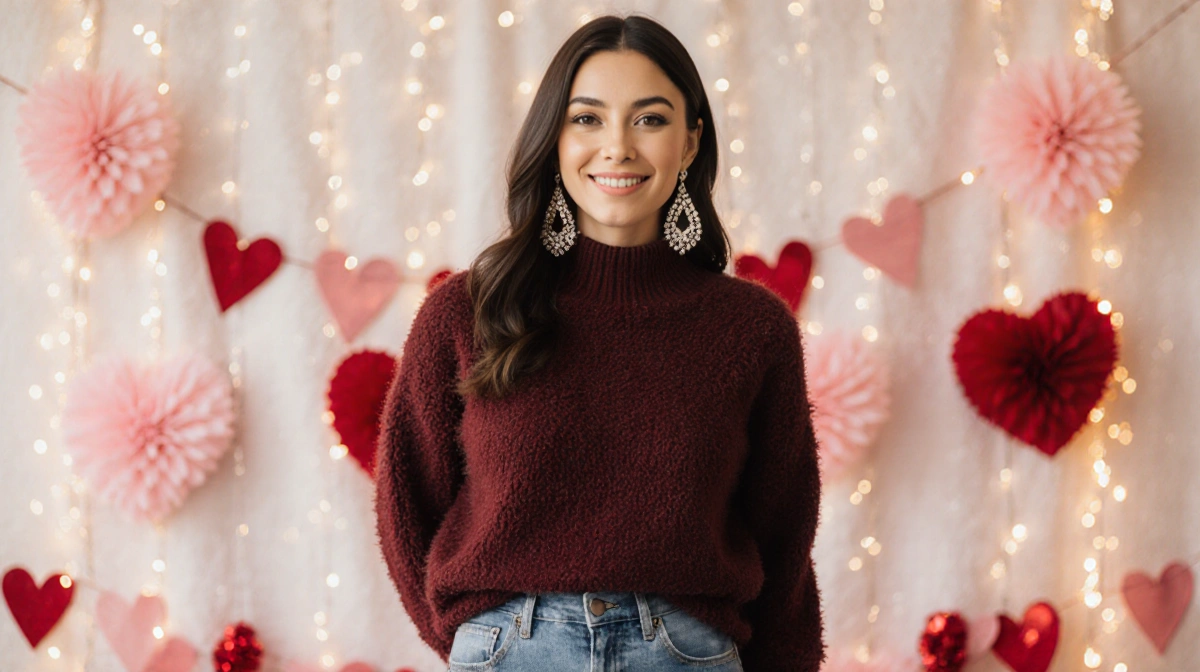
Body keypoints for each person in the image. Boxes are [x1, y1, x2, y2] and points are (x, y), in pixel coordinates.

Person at [373, 13, 825, 672]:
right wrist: (477, 642)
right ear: (554, 139)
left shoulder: (752, 328)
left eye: (649, 119)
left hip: (686, 655)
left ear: (690, 143)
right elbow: (405, 505)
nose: (618, 147)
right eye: (587, 118)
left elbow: (785, 535)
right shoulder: (468, 312)